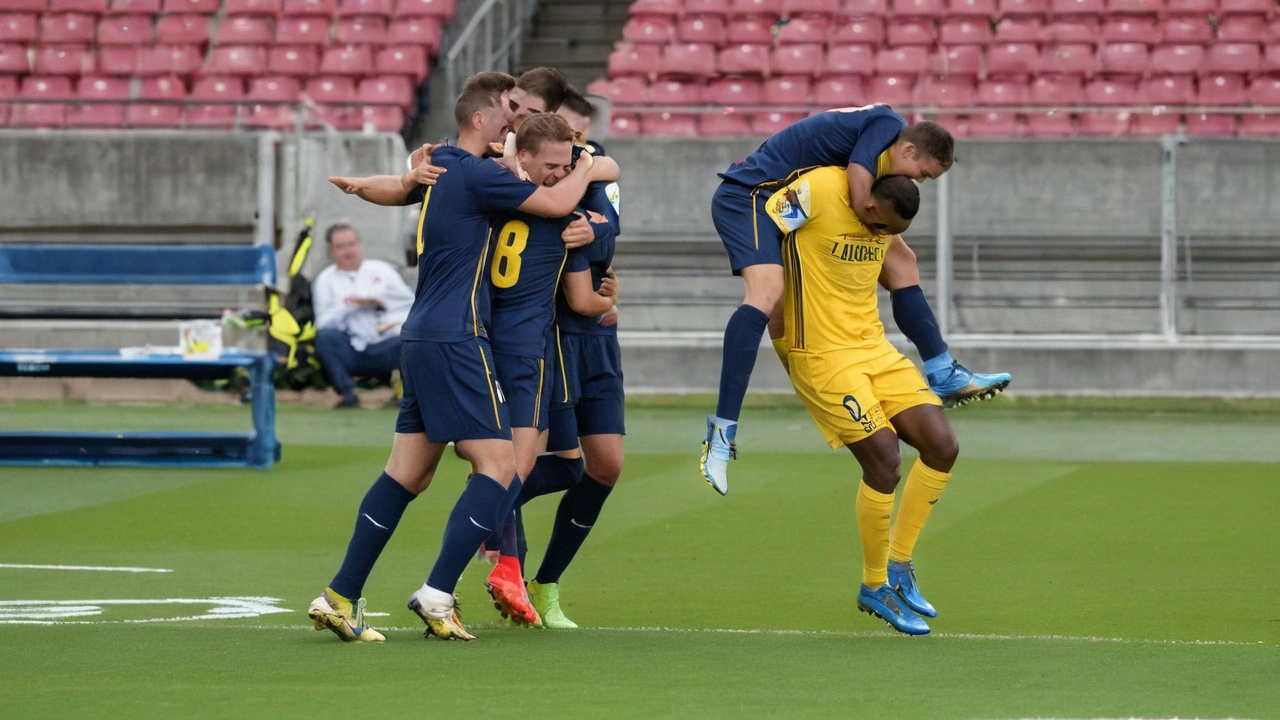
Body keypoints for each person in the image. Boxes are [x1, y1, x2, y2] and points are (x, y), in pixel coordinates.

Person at [306, 71, 620, 643]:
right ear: (481, 118)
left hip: (419, 333)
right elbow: (552, 199)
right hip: (459, 335)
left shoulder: (443, 165)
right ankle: (437, 594)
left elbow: (401, 186)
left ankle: (339, 595)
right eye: (506, 109)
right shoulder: (476, 173)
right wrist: (587, 165)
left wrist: (363, 185)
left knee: (408, 473)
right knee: (501, 467)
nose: (512, 119)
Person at [701, 105, 1010, 497]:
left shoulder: (883, 153)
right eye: (924, 175)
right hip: (749, 195)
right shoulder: (885, 129)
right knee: (765, 293)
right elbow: (856, 173)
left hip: (774, 192)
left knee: (903, 263)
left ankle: (941, 369)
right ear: (910, 151)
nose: (920, 182)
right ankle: (721, 432)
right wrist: (862, 210)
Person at [767, 166, 959, 635]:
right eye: (881, 228)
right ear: (868, 203)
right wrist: (772, 321)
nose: (883, 237)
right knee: (885, 461)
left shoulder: (884, 220)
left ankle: (898, 565)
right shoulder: (816, 192)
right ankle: (874, 586)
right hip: (821, 354)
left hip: (873, 346)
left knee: (941, 445)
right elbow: (755, 227)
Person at [478, 111, 617, 628]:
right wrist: (605, 299)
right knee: (521, 463)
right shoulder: (558, 211)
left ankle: (499, 537)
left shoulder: (490, 189)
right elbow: (582, 299)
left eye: (568, 161)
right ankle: (486, 542)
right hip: (535, 344)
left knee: (572, 465)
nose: (561, 171)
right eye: (555, 163)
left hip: (492, 335)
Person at [513, 89, 625, 629]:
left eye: (582, 141)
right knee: (558, 464)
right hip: (557, 334)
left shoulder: (590, 167)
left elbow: (608, 221)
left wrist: (599, 227)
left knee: (605, 465)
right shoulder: (531, 177)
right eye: (571, 139)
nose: (578, 150)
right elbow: (583, 292)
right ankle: (493, 506)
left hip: (599, 338)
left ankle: (546, 581)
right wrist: (608, 298)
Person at [311, 223, 415, 409]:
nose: (348, 251)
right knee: (325, 339)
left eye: (351, 244)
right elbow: (322, 322)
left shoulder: (382, 271)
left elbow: (409, 305)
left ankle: (405, 394)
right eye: (341, 247)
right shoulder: (325, 280)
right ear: (331, 250)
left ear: (359, 244)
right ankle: (347, 394)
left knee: (414, 340)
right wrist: (348, 305)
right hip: (352, 347)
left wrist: (380, 303)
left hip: (386, 342)